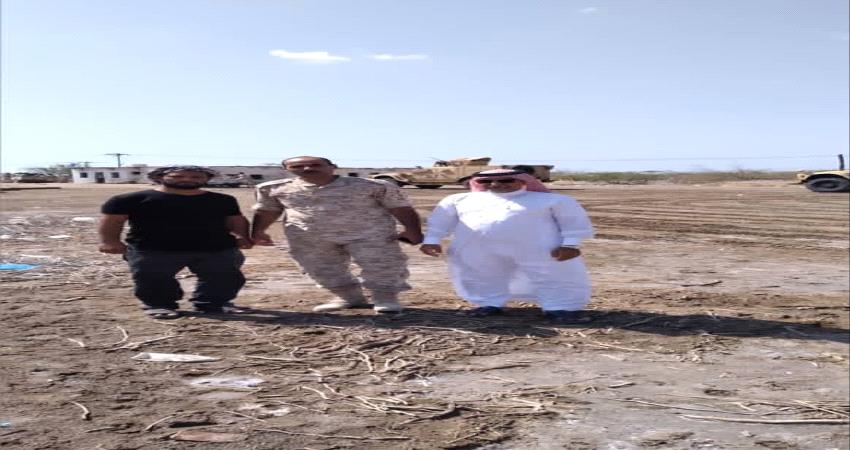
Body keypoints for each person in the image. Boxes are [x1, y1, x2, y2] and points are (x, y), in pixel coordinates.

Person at [251, 156, 423, 314]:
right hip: (309, 237)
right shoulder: (272, 188)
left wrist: (412, 230)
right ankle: (348, 297)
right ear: (287, 169)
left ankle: (385, 298)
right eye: (298, 166)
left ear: (332, 167)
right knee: (322, 268)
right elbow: (267, 210)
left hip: (369, 234)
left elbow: (400, 208)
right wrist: (259, 231)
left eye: (315, 165)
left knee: (382, 264)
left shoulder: (373, 186)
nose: (307, 168)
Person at [419, 169, 594, 323]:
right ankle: (488, 304)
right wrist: (432, 240)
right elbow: (439, 222)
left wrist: (571, 245)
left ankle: (560, 308)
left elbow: (573, 224)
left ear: (523, 181)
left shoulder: (554, 200)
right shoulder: (458, 200)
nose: (495, 184)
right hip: (478, 249)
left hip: (541, 250)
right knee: (481, 276)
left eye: (506, 180)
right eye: (486, 181)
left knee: (554, 276)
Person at [98, 166, 253, 319]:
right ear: (159, 177)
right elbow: (112, 221)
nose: (187, 180)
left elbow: (235, 220)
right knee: (153, 278)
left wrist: (242, 236)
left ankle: (214, 304)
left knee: (225, 277)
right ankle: (160, 305)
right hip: (152, 249)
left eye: (196, 177)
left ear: (207, 179)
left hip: (216, 248)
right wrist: (109, 241)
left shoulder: (223, 200)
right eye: (178, 176)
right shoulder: (129, 199)